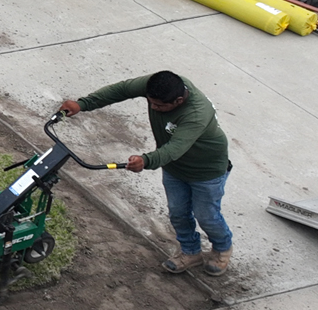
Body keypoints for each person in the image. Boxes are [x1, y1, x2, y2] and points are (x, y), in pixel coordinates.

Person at [59, 70, 234, 274]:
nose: (153, 108)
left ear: (178, 100)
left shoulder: (196, 114)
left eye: (159, 106)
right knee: (178, 213)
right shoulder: (160, 85)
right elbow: (121, 90)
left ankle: (222, 248)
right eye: (151, 102)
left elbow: (174, 149)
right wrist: (83, 104)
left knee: (207, 216)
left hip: (206, 172)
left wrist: (146, 160)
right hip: (175, 168)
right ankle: (190, 252)